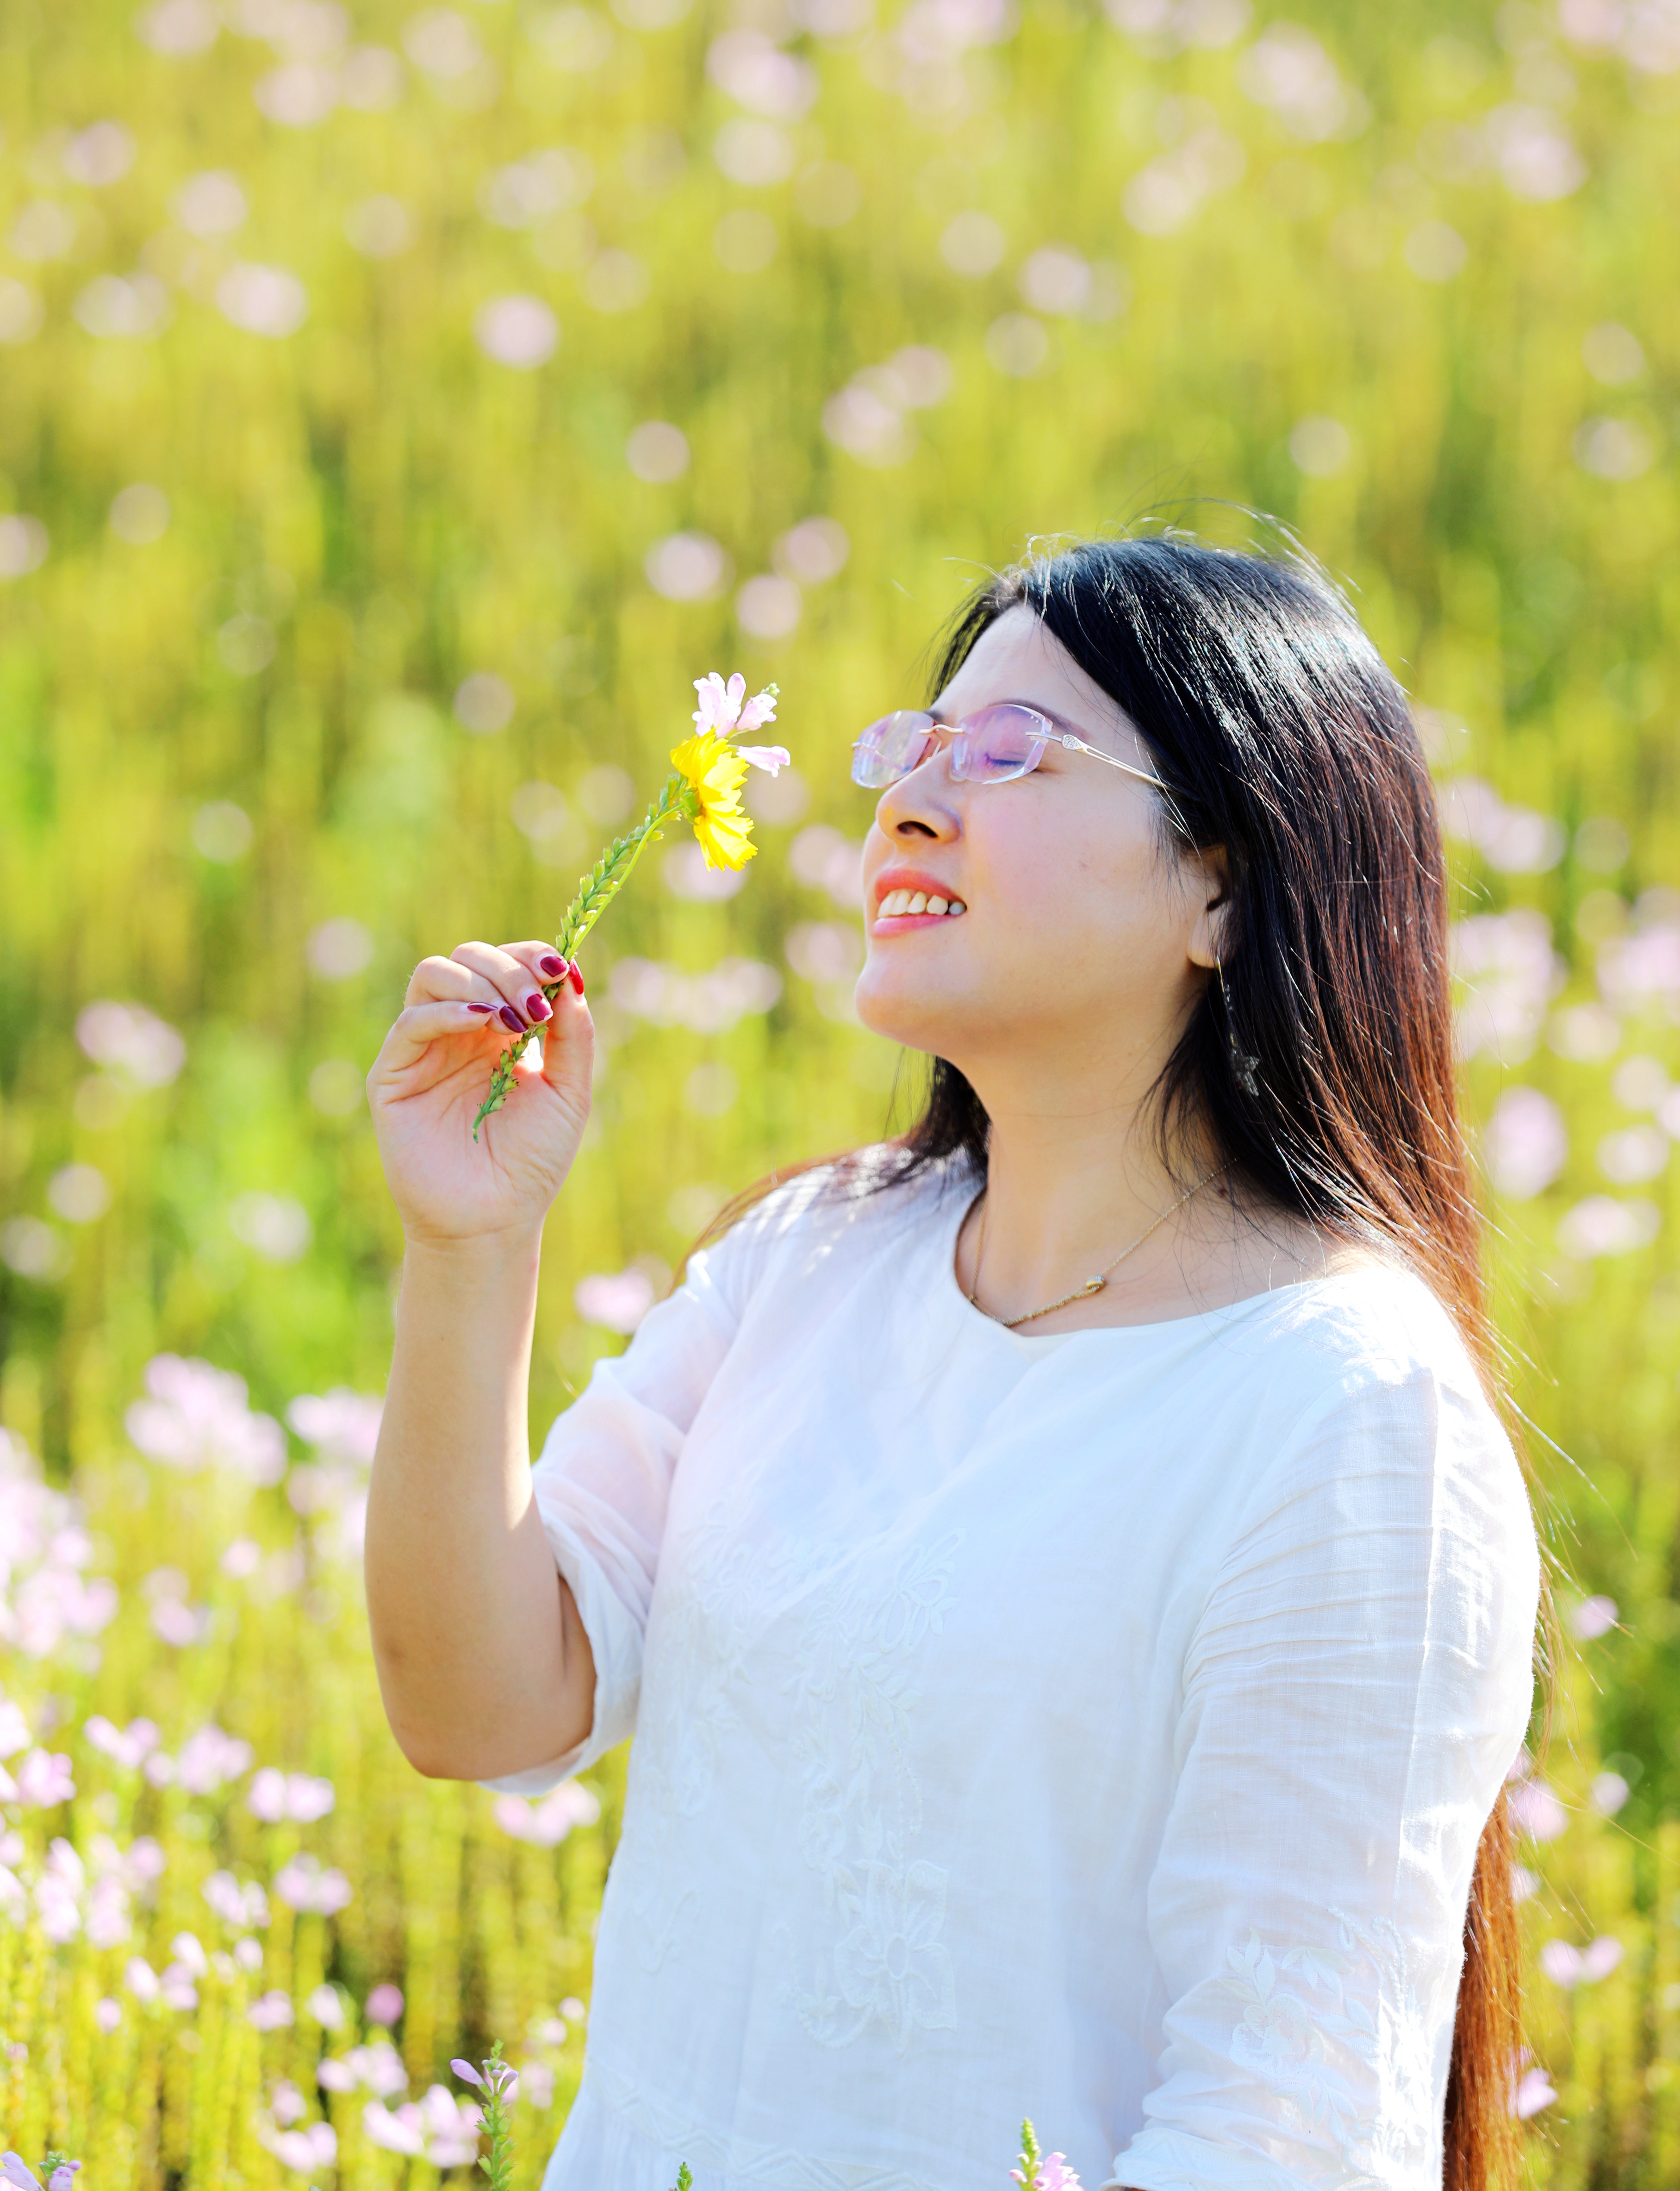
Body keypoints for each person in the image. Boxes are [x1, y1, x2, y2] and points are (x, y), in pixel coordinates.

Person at [364, 533, 1541, 2191]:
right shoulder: (818, 1258)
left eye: (1007, 754)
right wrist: (467, 1250)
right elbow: (478, 1704)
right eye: (911, 749)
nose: (911, 803)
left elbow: (1280, 2138)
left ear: (1221, 880)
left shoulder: (1344, 1416)